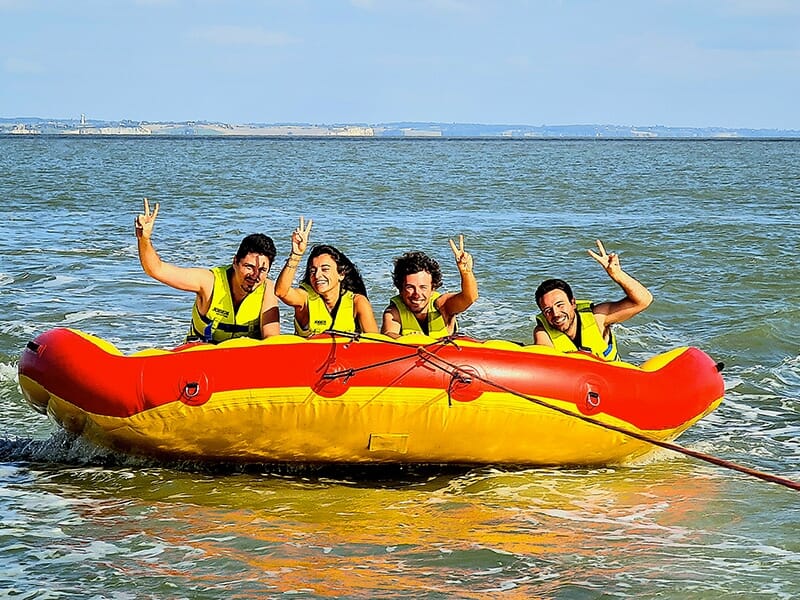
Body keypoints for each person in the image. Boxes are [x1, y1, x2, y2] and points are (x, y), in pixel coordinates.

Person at [134, 198, 280, 343]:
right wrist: (144, 239)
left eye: (262, 270)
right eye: (249, 267)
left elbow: (271, 340)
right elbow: (156, 270)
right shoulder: (209, 282)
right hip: (201, 356)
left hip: (244, 359)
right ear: (235, 262)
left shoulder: (268, 290)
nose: (254, 276)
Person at [533, 239, 653, 361]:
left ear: (573, 303)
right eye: (548, 310)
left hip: (612, 376)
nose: (556, 314)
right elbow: (546, 360)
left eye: (560, 305)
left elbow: (644, 301)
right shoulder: (543, 332)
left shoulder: (598, 318)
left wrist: (617, 275)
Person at [274, 216, 378, 337]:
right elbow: (281, 292)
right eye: (313, 271)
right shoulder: (305, 299)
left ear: (341, 274)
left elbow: (376, 343)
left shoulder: (358, 302)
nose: (317, 275)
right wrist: (296, 255)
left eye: (325, 269)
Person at [382, 235, 478, 339]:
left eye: (423, 287)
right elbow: (389, 334)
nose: (417, 294)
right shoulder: (393, 312)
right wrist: (412, 341)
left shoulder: (443, 306)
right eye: (410, 287)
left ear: (433, 288)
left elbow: (469, 298)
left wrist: (466, 272)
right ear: (400, 288)